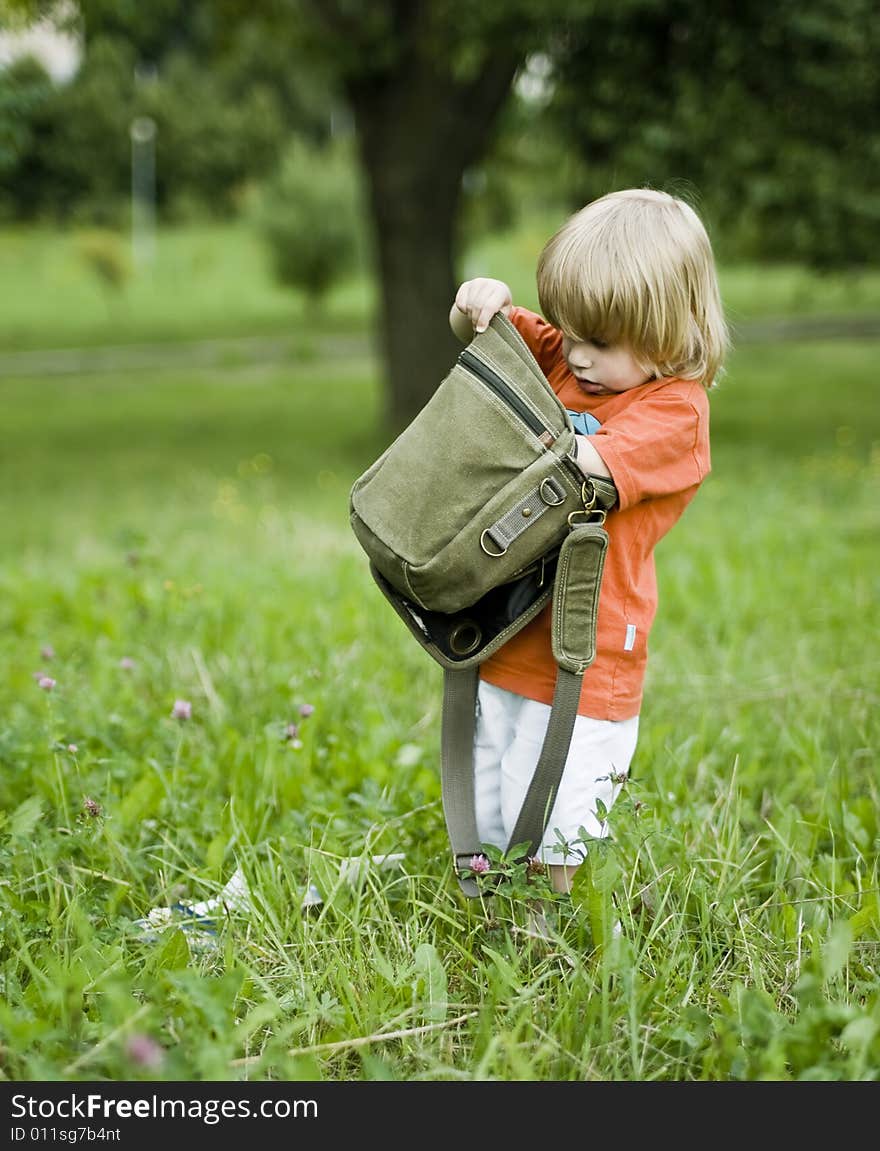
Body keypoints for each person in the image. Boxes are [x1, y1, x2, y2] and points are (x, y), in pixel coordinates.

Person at [449, 187, 728, 896]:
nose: (573, 355)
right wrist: (475, 303)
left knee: (554, 808)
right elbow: (491, 331)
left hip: (584, 652)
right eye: (567, 331)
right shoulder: (572, 360)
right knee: (489, 795)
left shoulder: (674, 412)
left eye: (596, 341)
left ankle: (544, 924)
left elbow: (591, 463)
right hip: (510, 630)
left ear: (667, 335)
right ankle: (492, 902)